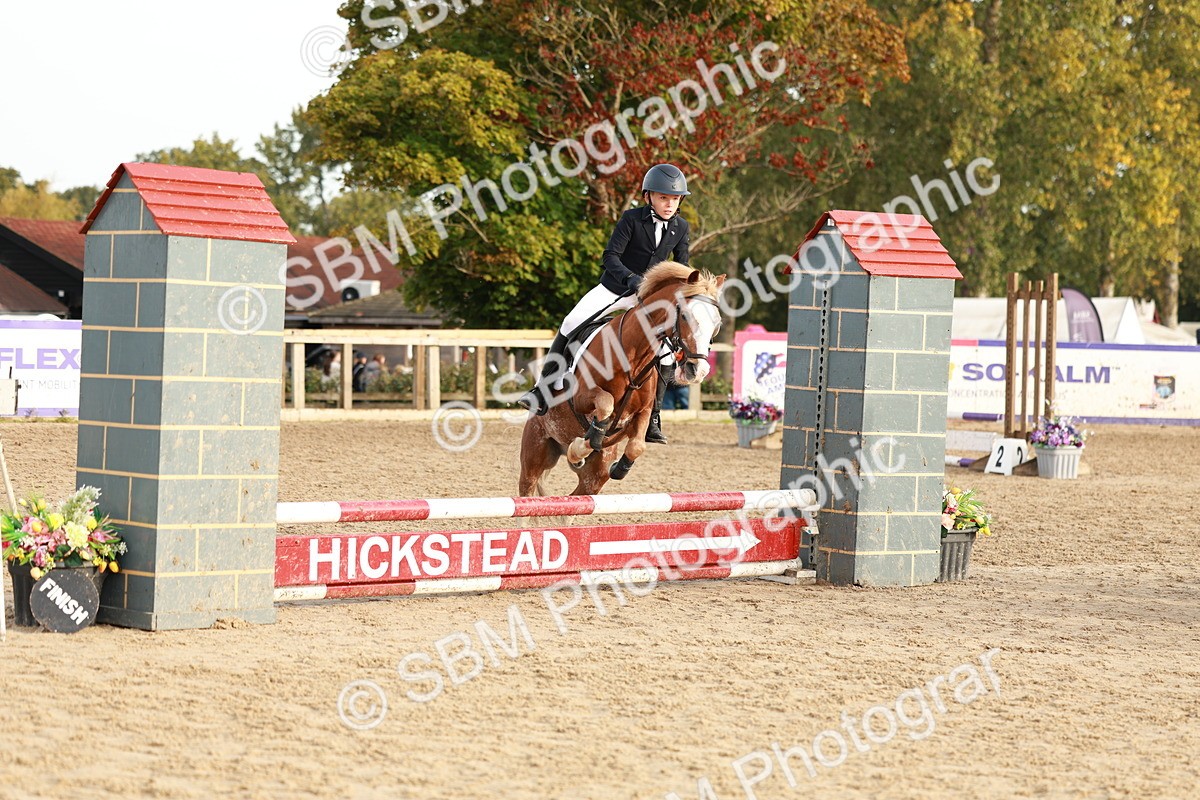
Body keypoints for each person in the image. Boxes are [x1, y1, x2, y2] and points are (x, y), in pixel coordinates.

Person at [517, 163, 691, 445]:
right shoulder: (631, 219)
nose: (669, 204)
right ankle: (542, 389)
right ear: (648, 196)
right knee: (570, 323)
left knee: (666, 352)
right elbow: (610, 257)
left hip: (647, 299)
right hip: (614, 288)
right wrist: (630, 279)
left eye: (674, 198)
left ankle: (654, 417)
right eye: (663, 197)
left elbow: (681, 267)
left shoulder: (681, 227)